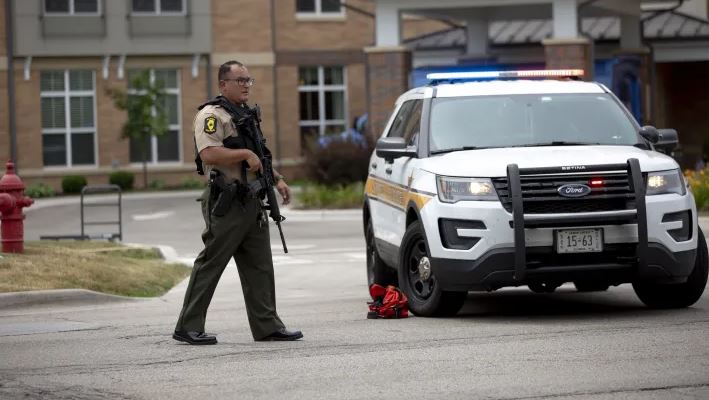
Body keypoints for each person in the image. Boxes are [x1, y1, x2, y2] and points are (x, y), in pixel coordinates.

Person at [173, 60, 302, 344]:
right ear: (223, 84)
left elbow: (259, 154)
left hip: (253, 198)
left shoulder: (244, 114)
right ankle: (188, 325)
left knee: (260, 266)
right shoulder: (211, 115)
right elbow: (209, 153)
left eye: (248, 80)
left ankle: (267, 325)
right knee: (211, 263)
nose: (246, 85)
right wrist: (243, 155)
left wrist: (277, 179)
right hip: (228, 200)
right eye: (240, 80)